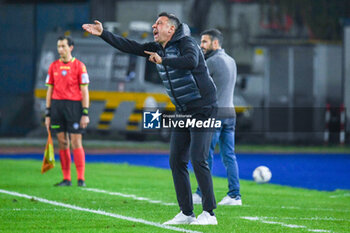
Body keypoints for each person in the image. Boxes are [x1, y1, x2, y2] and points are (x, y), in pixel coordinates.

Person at [83, 12, 218, 225]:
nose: (154, 26)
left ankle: (209, 213)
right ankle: (186, 213)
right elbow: (130, 46)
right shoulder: (157, 47)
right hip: (183, 109)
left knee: (198, 158)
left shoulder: (186, 43)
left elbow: (191, 61)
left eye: (159, 23)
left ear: (171, 29)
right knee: (176, 161)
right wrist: (103, 34)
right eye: (154, 23)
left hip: (203, 106)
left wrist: (163, 60)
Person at [192, 29, 242, 205]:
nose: (201, 45)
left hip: (215, 114)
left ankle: (200, 193)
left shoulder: (211, 62)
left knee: (205, 155)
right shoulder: (232, 61)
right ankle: (235, 195)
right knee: (229, 156)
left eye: (205, 42)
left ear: (215, 43)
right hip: (230, 113)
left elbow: (198, 86)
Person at [45, 36, 90, 187]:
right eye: (59, 46)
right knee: (62, 142)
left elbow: (84, 91)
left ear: (71, 47)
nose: (60, 49)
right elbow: (49, 90)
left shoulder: (79, 66)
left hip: (74, 107)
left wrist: (85, 113)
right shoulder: (53, 67)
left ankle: (81, 178)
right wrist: (48, 113)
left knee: (76, 142)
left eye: (63, 46)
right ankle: (66, 178)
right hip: (57, 107)